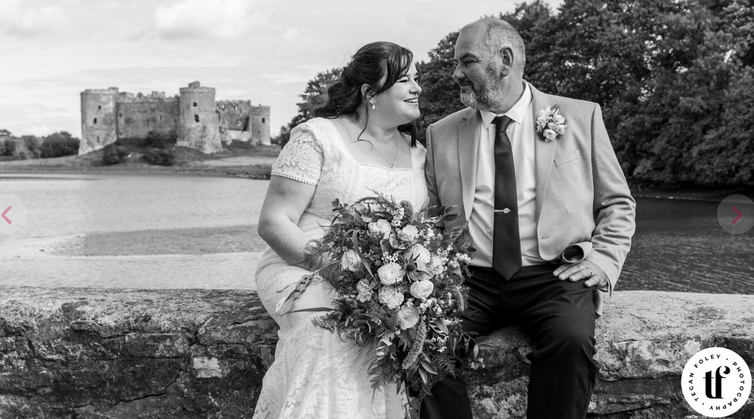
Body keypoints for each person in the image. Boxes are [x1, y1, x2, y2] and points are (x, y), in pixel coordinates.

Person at [422, 18, 636, 419]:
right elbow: (432, 216)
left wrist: (603, 260)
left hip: (554, 275)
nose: (455, 73)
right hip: (471, 279)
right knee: (422, 338)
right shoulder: (441, 133)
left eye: (466, 61)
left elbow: (617, 203)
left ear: (505, 61)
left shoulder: (580, 116)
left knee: (571, 339)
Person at [253, 41, 427, 418]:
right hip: (302, 266)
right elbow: (273, 222)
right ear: (370, 93)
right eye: (405, 80)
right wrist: (337, 268)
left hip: (384, 282)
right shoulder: (319, 138)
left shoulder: (418, 154)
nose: (417, 88)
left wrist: (400, 282)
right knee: (330, 329)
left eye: (417, 79)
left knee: (387, 329)